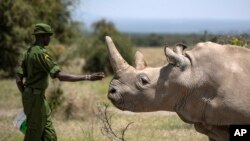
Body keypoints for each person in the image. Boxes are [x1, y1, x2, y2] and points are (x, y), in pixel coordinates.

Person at [15, 23, 105, 141]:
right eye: (48, 36)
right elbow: (60, 76)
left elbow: (18, 78)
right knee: (34, 135)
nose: (50, 38)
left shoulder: (28, 52)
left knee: (50, 136)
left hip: (37, 98)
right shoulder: (41, 54)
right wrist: (88, 77)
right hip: (35, 100)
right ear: (42, 36)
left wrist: (26, 94)